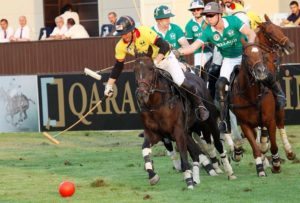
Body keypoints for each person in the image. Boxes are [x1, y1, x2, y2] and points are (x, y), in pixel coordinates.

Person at [104, 16, 209, 121]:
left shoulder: (144, 32)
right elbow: (118, 66)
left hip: (166, 59)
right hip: (150, 67)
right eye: (121, 34)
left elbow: (164, 46)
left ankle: (199, 106)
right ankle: (151, 123)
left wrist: (155, 62)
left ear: (132, 30)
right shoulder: (120, 46)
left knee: (179, 81)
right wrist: (109, 85)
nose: (124, 36)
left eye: (126, 33)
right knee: (144, 89)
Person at [178, 2, 259, 132]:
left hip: (244, 55)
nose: (208, 18)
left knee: (261, 75)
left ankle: (278, 97)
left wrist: (249, 49)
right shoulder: (207, 32)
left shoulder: (233, 21)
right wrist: (176, 52)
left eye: (211, 15)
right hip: (229, 60)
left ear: (220, 15)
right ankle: (224, 121)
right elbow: (192, 48)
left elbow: (251, 34)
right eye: (206, 16)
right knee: (220, 85)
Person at [185, 0, 213, 74]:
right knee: (198, 72)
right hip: (198, 52)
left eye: (198, 9)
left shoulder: (209, 20)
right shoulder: (189, 25)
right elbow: (189, 42)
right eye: (193, 10)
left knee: (214, 70)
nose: (196, 11)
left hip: (212, 50)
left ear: (203, 10)